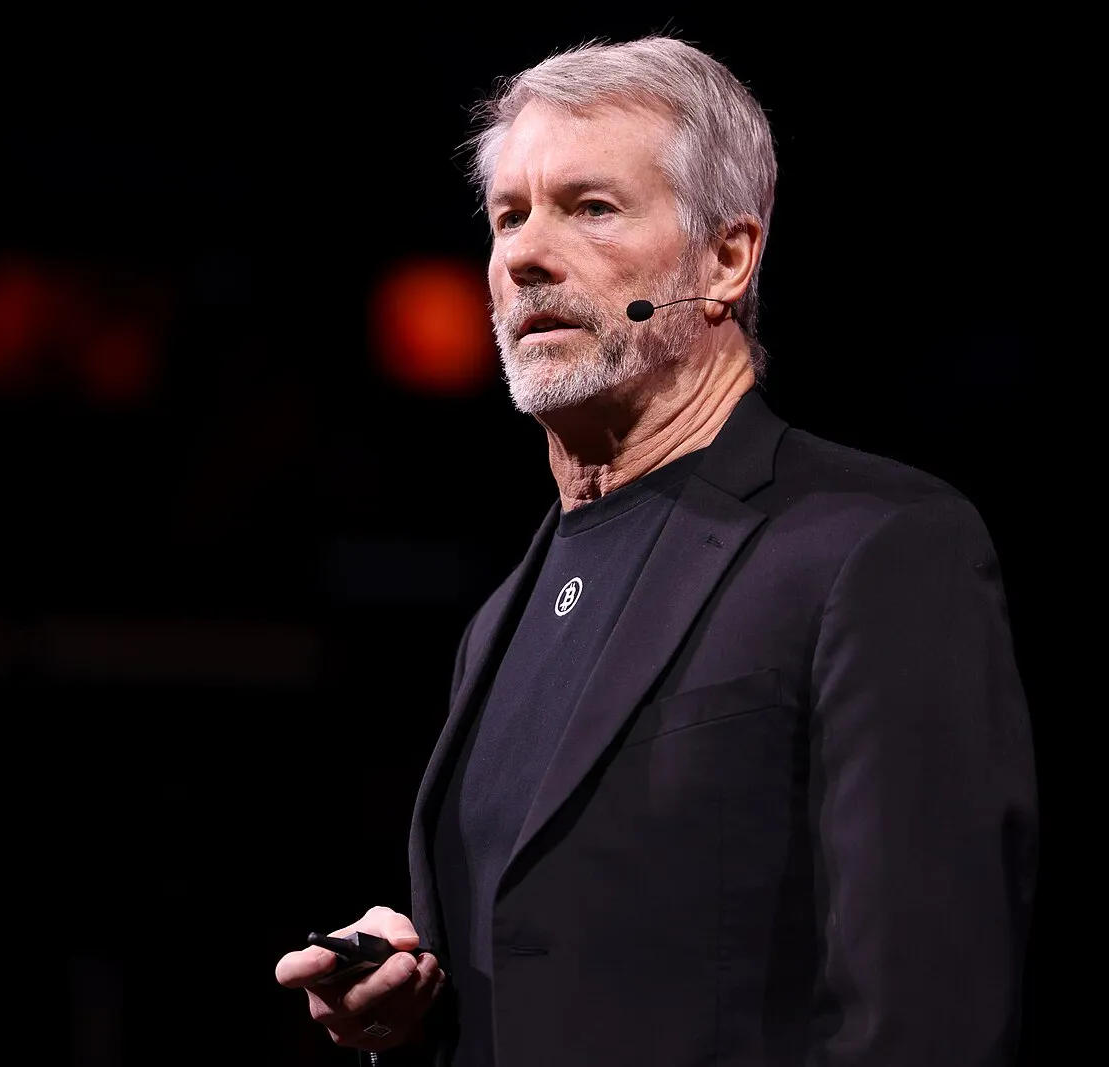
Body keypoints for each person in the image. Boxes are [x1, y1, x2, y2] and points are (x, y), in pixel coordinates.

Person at [275, 33, 1038, 1066]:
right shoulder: (500, 617)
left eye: (591, 207)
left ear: (726, 258)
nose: (524, 252)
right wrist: (414, 1009)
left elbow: (924, 1017)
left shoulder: (875, 547)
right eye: (509, 214)